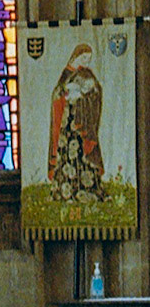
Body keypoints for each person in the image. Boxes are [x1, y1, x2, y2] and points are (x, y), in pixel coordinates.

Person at [48, 42, 106, 202]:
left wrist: (87, 94)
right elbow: (57, 94)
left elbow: (96, 93)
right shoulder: (67, 73)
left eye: (89, 59)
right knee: (69, 155)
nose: (87, 62)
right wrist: (65, 95)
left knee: (84, 156)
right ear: (77, 56)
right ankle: (67, 191)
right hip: (69, 124)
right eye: (85, 58)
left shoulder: (87, 74)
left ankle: (89, 190)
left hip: (83, 124)